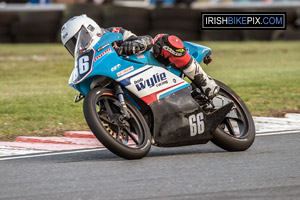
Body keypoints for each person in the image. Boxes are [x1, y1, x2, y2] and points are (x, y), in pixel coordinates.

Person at [61, 14, 219, 99]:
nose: (76, 46)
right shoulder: (89, 59)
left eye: (77, 39)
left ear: (89, 28)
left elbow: (144, 39)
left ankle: (205, 82)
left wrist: (135, 43)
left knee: (163, 41)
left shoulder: (113, 33)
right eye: (71, 45)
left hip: (149, 65)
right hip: (128, 80)